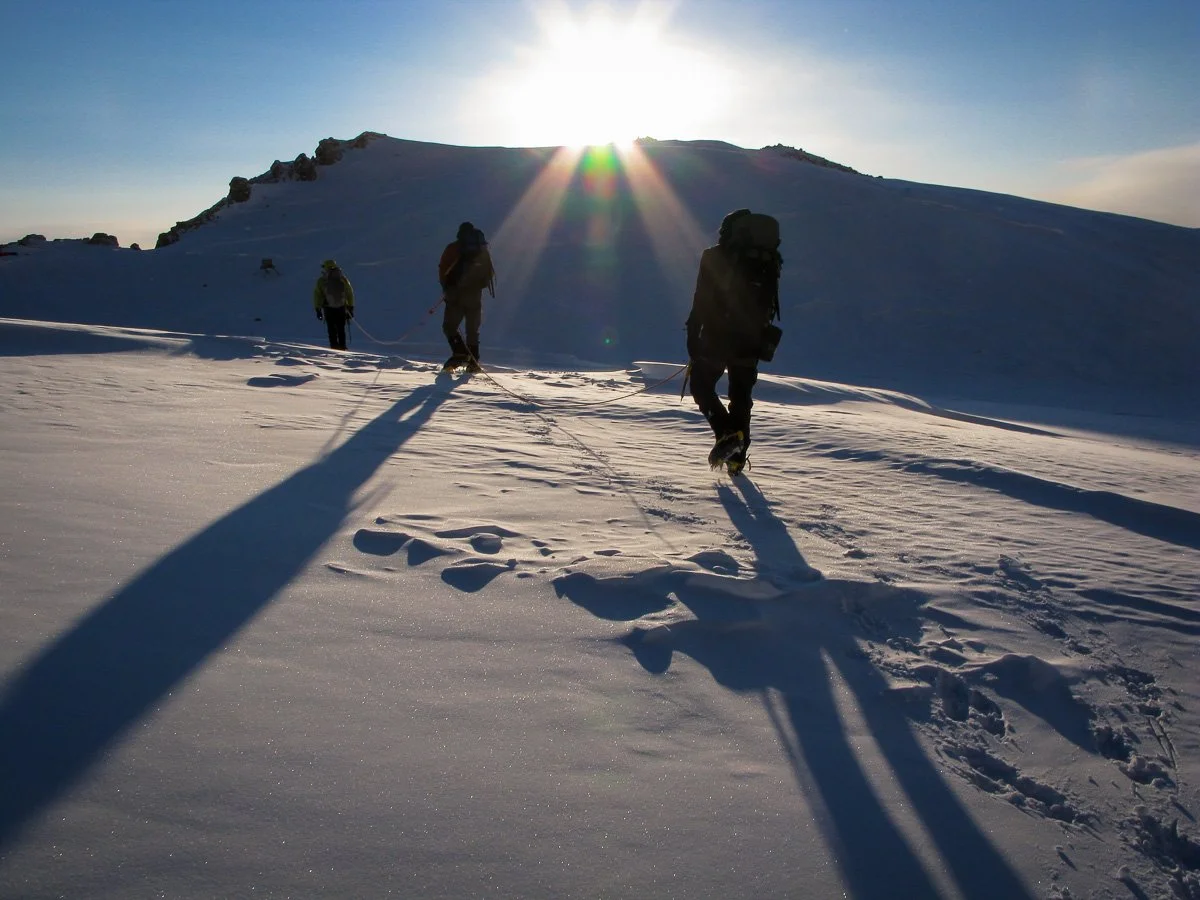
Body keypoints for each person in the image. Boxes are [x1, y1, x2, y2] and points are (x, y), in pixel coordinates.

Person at [685, 209, 783, 476]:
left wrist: (693, 334)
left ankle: (727, 434)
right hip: (753, 337)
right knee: (741, 397)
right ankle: (737, 461)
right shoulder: (768, 260)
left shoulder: (714, 256)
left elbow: (701, 299)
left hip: (718, 334)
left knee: (701, 384)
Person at [437, 221, 496, 372]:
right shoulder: (482, 250)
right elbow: (488, 273)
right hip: (475, 295)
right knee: (472, 329)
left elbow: (443, 269)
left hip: (456, 294)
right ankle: (473, 361)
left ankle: (459, 354)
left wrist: (447, 288)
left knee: (449, 326)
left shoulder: (453, 248)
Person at [312, 259, 355, 350]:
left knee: (331, 329)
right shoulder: (343, 279)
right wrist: (351, 307)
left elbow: (317, 295)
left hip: (328, 308)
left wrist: (318, 309)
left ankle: (334, 347)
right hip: (342, 307)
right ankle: (343, 347)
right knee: (341, 329)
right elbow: (349, 293)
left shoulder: (321, 281)